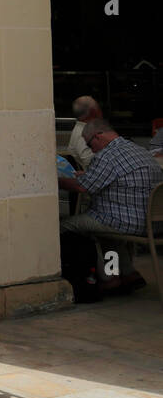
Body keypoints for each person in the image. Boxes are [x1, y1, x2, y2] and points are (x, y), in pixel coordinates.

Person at [58, 118, 163, 294]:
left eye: (90, 145)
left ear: (97, 136)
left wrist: (58, 181)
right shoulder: (139, 150)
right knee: (107, 234)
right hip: (154, 221)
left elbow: (82, 187)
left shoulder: (106, 156)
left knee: (65, 226)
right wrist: (90, 174)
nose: (91, 150)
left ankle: (107, 279)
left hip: (128, 221)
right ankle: (127, 273)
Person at [67, 96, 101, 170]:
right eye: (98, 108)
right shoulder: (83, 134)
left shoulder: (84, 128)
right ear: (92, 112)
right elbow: (90, 163)